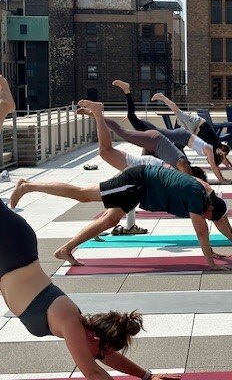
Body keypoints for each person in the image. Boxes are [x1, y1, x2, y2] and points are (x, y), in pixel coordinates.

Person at [0, 76, 177, 380]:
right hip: (11, 248)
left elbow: (104, 360)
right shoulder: (70, 319)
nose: (102, 355)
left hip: (9, 256)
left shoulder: (81, 328)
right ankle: (6, 102)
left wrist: (147, 377)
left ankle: (6, 103)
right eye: (103, 350)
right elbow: (93, 372)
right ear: (97, 339)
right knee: (5, 107)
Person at [10, 141, 232, 269]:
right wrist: (211, 263)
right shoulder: (197, 197)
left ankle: (66, 249)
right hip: (136, 181)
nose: (206, 217)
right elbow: (201, 232)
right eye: (209, 216)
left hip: (142, 189)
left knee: (110, 220)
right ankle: (28, 186)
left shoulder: (206, 194)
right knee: (84, 195)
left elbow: (219, 219)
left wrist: (229, 240)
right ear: (209, 208)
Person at [75, 101, 205, 237]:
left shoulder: (179, 174)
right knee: (106, 150)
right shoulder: (184, 173)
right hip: (143, 166)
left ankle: (117, 227)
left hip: (146, 165)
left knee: (121, 198)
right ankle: (97, 113)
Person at [111, 80, 232, 183]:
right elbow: (215, 167)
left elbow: (218, 161)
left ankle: (136, 119)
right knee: (150, 126)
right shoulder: (210, 150)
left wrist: (227, 168)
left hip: (182, 137)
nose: (212, 161)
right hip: (183, 135)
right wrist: (222, 180)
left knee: (154, 138)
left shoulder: (212, 149)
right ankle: (128, 91)